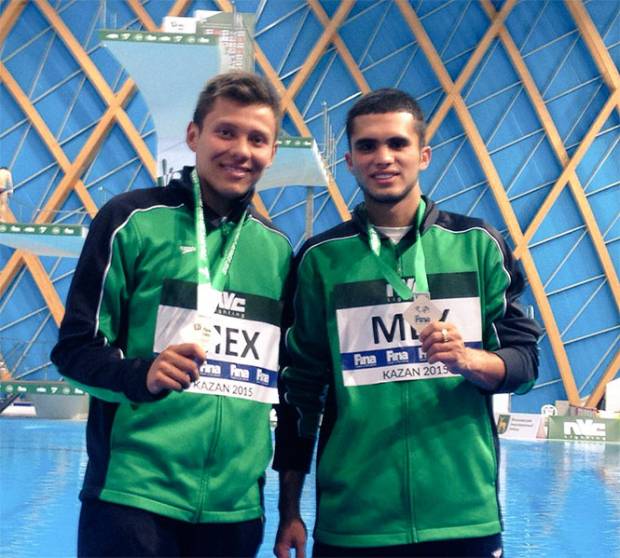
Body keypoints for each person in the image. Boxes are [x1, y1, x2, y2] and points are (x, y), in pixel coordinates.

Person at [273, 88, 541, 558]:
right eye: (367, 146)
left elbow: (525, 363)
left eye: (397, 144)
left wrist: (472, 360)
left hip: (463, 518)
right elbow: (300, 388)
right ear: (351, 161)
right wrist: (290, 508)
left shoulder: (478, 245)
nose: (384, 157)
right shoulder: (321, 259)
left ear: (423, 154)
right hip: (354, 524)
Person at [51, 71, 292, 558]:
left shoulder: (277, 250)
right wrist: (143, 375)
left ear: (271, 151)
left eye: (257, 139)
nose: (240, 150)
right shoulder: (131, 221)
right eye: (226, 131)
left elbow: (286, 382)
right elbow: (75, 348)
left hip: (235, 511)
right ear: (193, 135)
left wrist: (287, 506)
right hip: (133, 501)